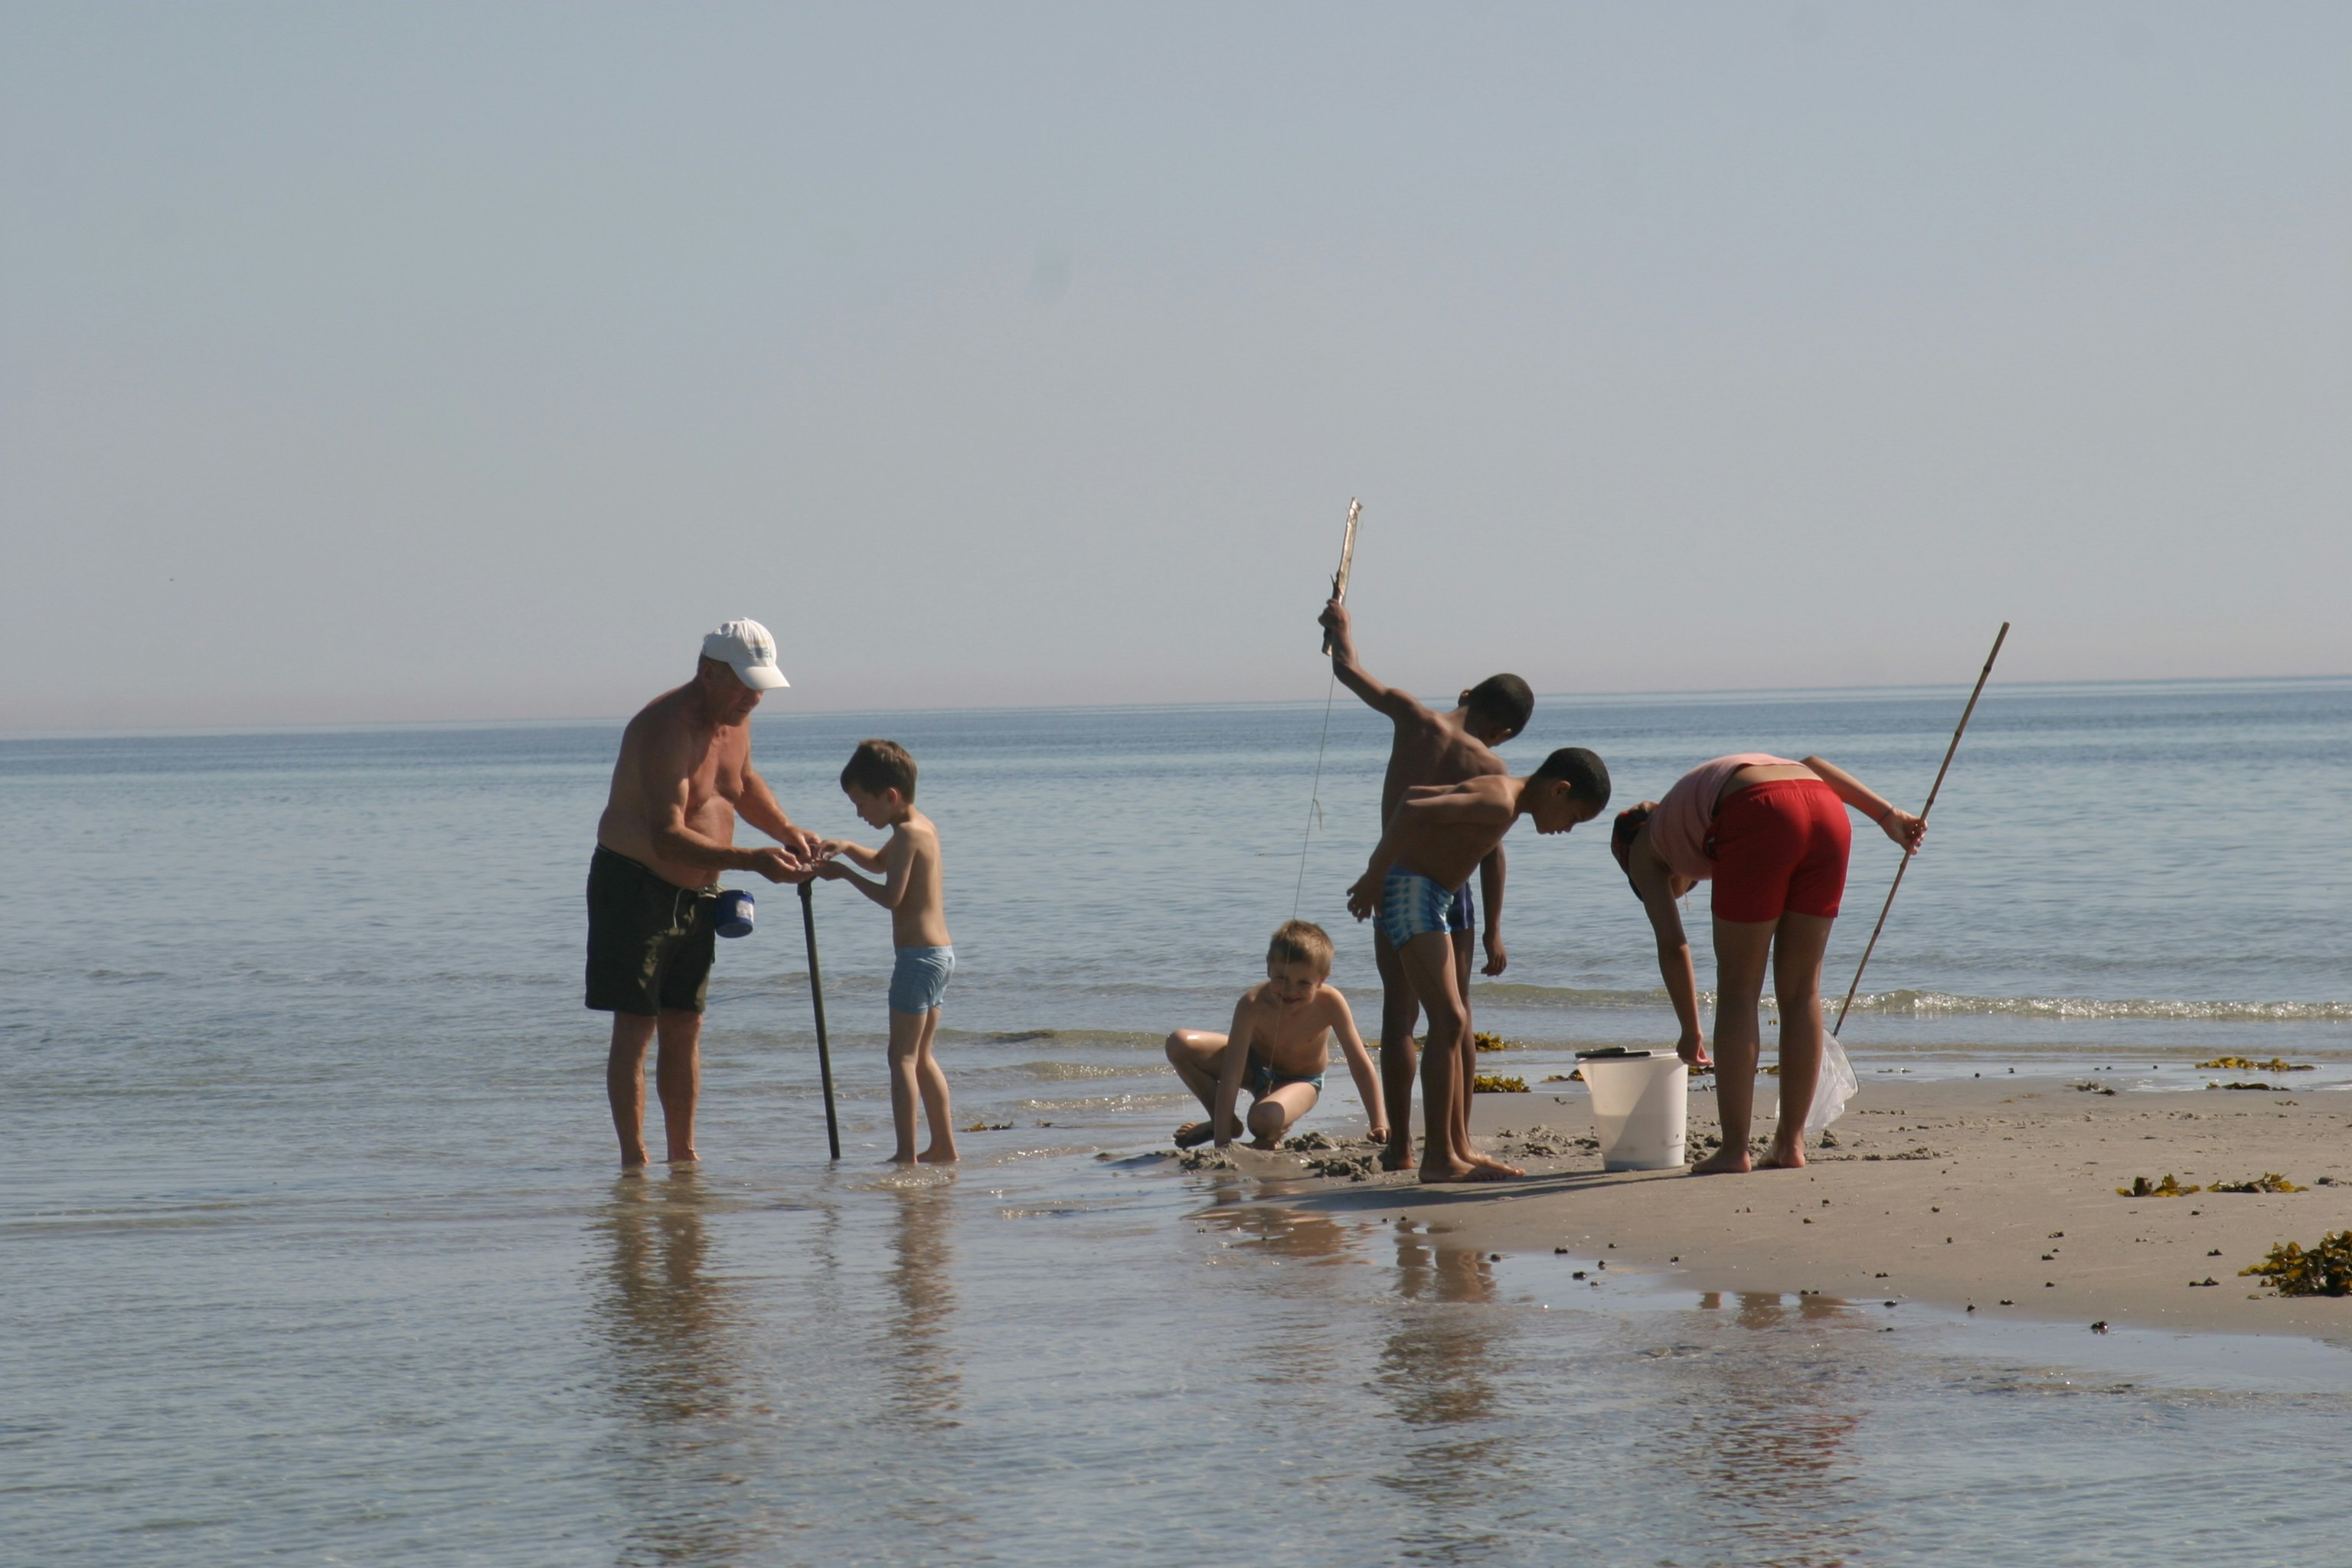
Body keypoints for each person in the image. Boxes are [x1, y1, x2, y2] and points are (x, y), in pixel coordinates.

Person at [1610, 755, 1925, 1176]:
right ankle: (1790, 1143)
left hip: (1759, 812)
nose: (1677, 891)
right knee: (1801, 991)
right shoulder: (1689, 805)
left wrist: (1690, 1029)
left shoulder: (1644, 850)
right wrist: (1888, 816)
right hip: (1827, 811)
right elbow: (1813, 765)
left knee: (1740, 991)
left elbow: (1673, 945)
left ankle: (1734, 1150)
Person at [589, 620, 818, 1171]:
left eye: (760, 686)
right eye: (742, 684)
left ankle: (683, 1158)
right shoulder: (666, 728)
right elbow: (666, 834)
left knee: (686, 1023)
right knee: (637, 1026)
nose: (752, 697)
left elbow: (741, 784)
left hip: (699, 892)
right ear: (707, 673)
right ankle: (634, 1163)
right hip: (635, 886)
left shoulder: (735, 721)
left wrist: (786, 832)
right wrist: (753, 862)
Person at [1317, 596, 1534, 1172]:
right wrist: (1494, 930)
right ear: (1503, 728)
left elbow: (1347, 671)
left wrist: (1341, 626)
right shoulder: (1492, 770)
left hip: (1391, 880)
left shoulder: (1412, 717)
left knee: (1401, 1016)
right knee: (1455, 1016)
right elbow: (1491, 853)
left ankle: (1402, 1145)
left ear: (1469, 695)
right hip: (1450, 890)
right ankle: (1457, 1140)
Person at [1343, 750, 1612, 1182]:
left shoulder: (1504, 794)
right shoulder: (1499, 802)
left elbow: (1414, 791)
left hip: (1432, 896)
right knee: (1448, 1020)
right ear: (1559, 789)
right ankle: (1437, 1159)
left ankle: (1457, 1147)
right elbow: (1410, 807)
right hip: (1412, 892)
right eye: (1574, 817)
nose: (1567, 828)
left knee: (1453, 1019)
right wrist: (1376, 875)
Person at [813, 739, 958, 1165]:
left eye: (862, 804)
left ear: (890, 796)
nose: (859, 813)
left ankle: (906, 1153)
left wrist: (842, 874)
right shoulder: (918, 827)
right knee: (923, 1056)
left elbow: (891, 896)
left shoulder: (909, 835)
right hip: (939, 954)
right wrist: (847, 847)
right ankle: (944, 1147)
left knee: (902, 1057)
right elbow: (878, 861)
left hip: (917, 959)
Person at [1165, 920, 1386, 1151]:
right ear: (1269, 967)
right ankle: (1225, 1123)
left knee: (1263, 1121)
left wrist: (1379, 1122)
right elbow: (1232, 1075)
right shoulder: (1251, 1004)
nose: (1290, 990)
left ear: (1322, 979)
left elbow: (1360, 1065)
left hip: (1302, 1081)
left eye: (1303, 983)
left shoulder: (1331, 1003)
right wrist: (1223, 1143)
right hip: (1256, 1067)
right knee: (1179, 1044)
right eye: (1281, 978)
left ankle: (1270, 1132)